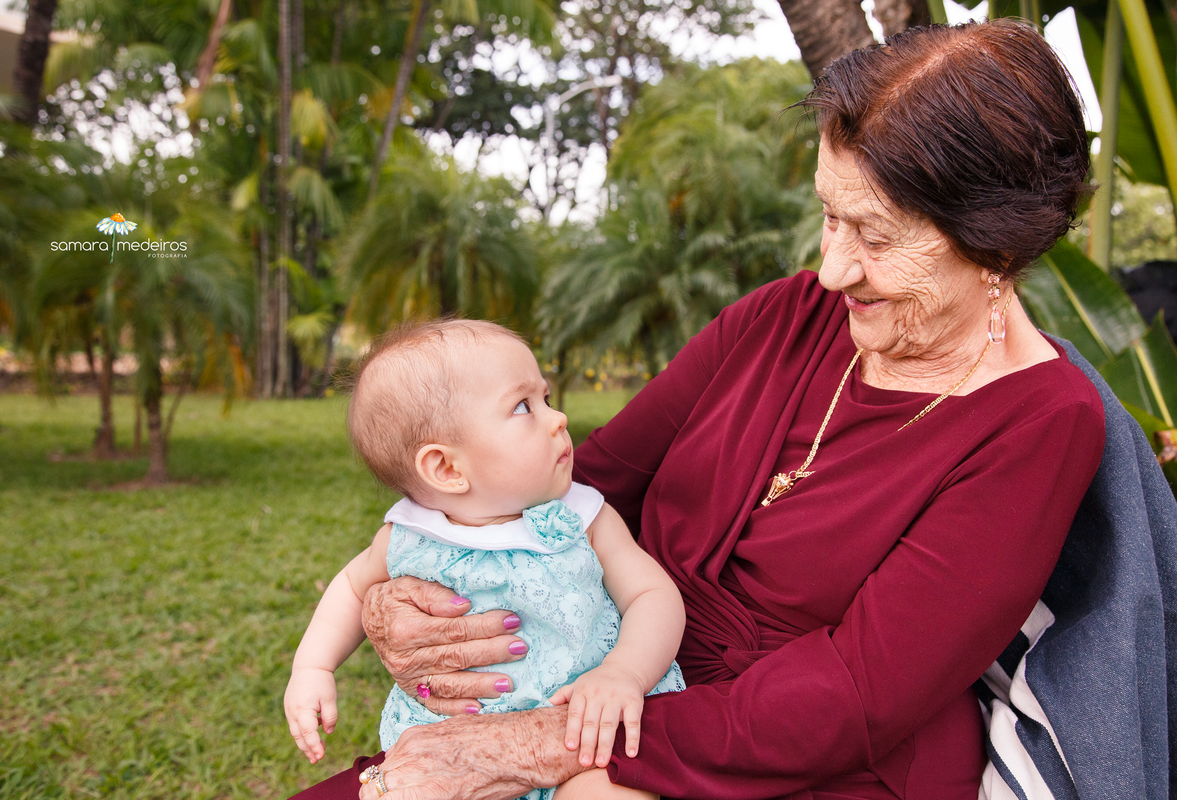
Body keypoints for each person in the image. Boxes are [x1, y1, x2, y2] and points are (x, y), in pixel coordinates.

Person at [292, 19, 1107, 800]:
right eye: (829, 214)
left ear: (995, 243)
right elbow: (583, 481)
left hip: (797, 760)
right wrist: (394, 596)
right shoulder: (785, 317)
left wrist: (541, 741)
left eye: (876, 236)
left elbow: (855, 695)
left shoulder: (1039, 424)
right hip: (598, 693)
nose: (830, 270)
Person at [283, 320, 686, 800]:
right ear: (447, 468)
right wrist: (313, 668)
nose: (557, 419)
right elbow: (352, 589)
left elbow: (652, 594)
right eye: (523, 406)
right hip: (450, 754)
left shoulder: (583, 517)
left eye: (547, 398)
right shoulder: (409, 537)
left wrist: (625, 672)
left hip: (583, 730)